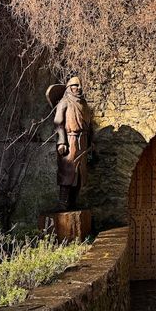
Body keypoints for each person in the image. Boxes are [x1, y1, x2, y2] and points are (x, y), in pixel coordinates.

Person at [53, 76, 93, 211]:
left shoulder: (85, 105)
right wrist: (61, 141)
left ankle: (73, 202)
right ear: (69, 87)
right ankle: (63, 202)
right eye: (76, 85)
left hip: (83, 141)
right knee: (67, 171)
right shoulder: (64, 102)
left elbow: (90, 125)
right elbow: (59, 123)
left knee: (80, 174)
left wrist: (90, 142)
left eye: (80, 85)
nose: (79, 87)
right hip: (70, 140)